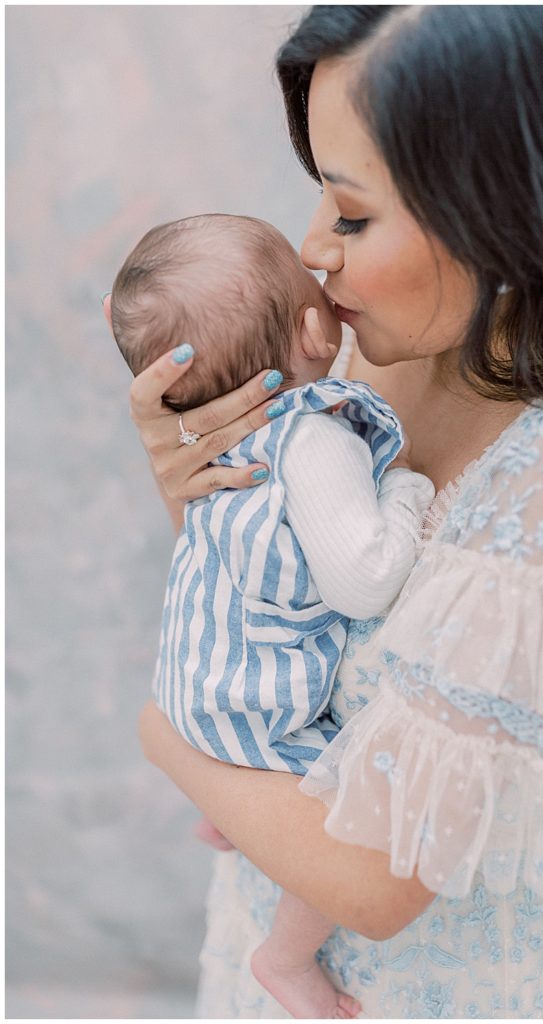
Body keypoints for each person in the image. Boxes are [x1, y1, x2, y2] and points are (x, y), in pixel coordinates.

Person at [130, 6, 543, 1018]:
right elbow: (275, 627)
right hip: (261, 958)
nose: (312, 251)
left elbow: (377, 875)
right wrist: (199, 493)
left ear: (513, 213)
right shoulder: (371, 375)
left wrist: (168, 737)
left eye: (348, 214)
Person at [105, 212, 435, 1018]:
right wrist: (407, 492)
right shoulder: (315, 440)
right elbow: (363, 583)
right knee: (344, 809)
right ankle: (286, 959)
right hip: (249, 707)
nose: (323, 254)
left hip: (198, 684)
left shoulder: (225, 442)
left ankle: (234, 814)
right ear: (313, 332)